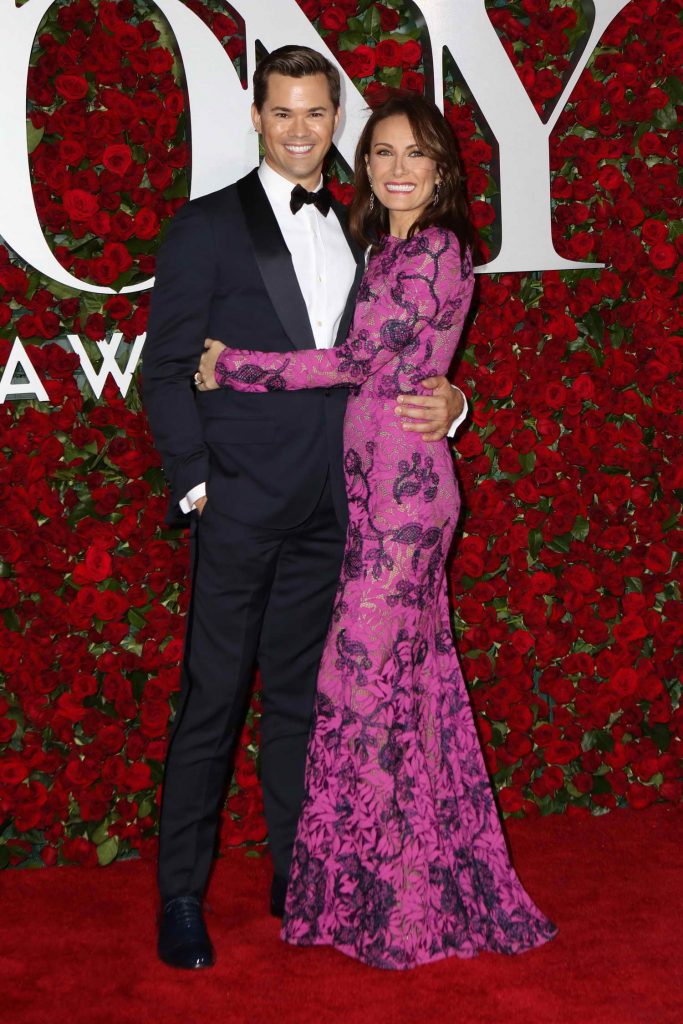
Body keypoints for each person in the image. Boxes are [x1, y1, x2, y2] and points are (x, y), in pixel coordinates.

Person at [196, 92, 557, 970]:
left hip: (405, 499)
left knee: (357, 686)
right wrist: (455, 395)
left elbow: (357, 361)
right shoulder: (382, 248)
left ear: (442, 172)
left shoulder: (435, 250)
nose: (397, 169)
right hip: (366, 495)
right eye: (384, 153)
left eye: (416, 156)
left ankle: (388, 899)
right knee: (405, 690)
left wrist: (233, 364)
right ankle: (410, 879)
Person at [142, 46, 467, 970]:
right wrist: (200, 484)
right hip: (240, 503)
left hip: (344, 508)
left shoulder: (373, 229)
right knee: (212, 701)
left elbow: (401, 358)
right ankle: (179, 896)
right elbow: (166, 369)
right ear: (256, 117)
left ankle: (302, 875)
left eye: (315, 114)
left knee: (301, 701)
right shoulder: (205, 227)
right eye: (281, 112)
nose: (298, 130)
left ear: (337, 122)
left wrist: (454, 404)